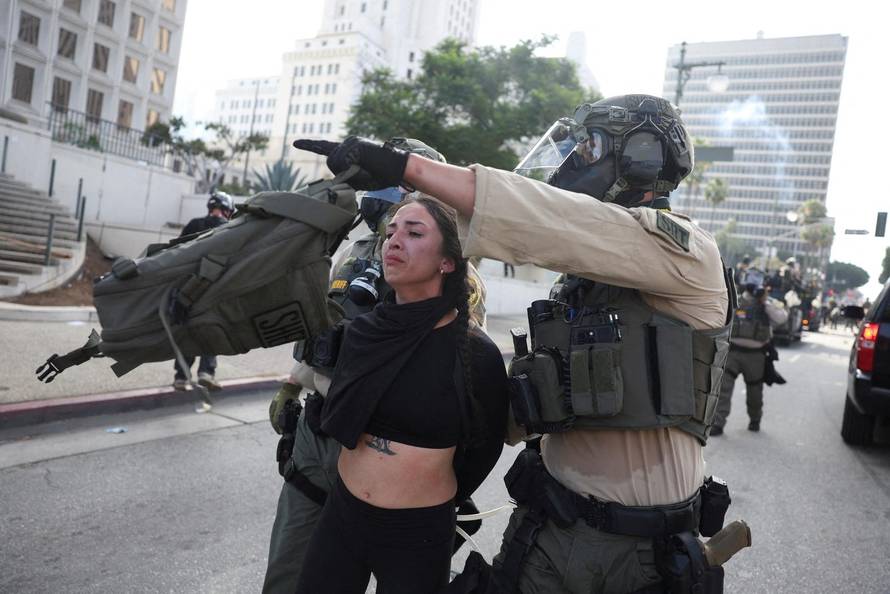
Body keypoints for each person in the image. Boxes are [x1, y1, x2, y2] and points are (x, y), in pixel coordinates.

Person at [295, 93, 737, 593]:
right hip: (546, 530)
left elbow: (550, 221)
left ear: (641, 158)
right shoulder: (579, 282)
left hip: (638, 555)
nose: (573, 161)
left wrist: (405, 168)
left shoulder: (685, 252)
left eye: (587, 147)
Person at [262, 140, 494, 594]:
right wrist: (295, 386)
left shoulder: (466, 324)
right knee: (289, 574)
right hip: (324, 453)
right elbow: (323, 335)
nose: (396, 241)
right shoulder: (352, 258)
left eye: (413, 231)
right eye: (393, 231)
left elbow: (474, 432)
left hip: (413, 513)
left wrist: (422, 479)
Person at [711, 269, 788, 434]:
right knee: (723, 390)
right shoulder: (736, 299)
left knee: (754, 392)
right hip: (733, 353)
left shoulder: (766, 303)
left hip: (756, 356)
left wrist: (764, 302)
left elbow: (782, 318)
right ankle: (717, 423)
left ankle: (755, 420)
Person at [172, 191, 234, 391]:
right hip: (214, 291)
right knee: (211, 330)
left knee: (187, 331)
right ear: (227, 211)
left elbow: (176, 252)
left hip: (187, 290)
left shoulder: (193, 224)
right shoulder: (230, 229)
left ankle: (181, 377)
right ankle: (206, 372)